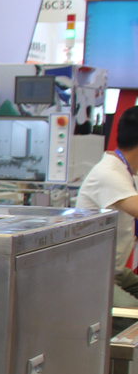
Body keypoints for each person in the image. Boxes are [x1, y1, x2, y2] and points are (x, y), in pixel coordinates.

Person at [76, 106, 138, 306]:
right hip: (93, 273)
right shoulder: (109, 173)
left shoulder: (125, 171)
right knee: (131, 312)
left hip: (114, 270)